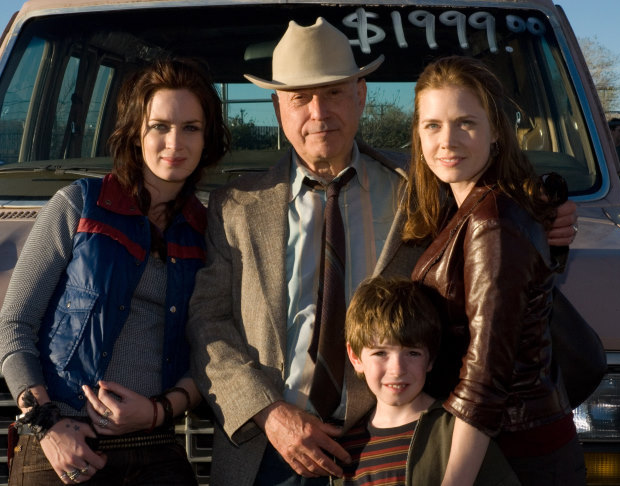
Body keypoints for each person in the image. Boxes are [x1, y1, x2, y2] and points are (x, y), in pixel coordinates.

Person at [187, 18, 578, 486]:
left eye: (333, 92)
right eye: (299, 98)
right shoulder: (235, 207)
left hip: (394, 449)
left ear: (361, 95)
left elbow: (490, 257)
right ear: (277, 108)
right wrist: (269, 414)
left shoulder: (425, 189)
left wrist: (545, 227)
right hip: (271, 454)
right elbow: (208, 323)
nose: (319, 112)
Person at [0, 57, 229, 485]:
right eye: (160, 126)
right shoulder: (78, 206)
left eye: (191, 127)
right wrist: (47, 426)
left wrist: (159, 411)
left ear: (207, 138)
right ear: (137, 134)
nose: (175, 142)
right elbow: (12, 325)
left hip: (154, 447)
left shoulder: (208, 233)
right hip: (63, 442)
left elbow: (210, 356)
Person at [405, 56, 586, 485]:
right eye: (432, 125)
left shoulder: (492, 222)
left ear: (496, 133)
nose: (446, 141)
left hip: (513, 455)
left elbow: (485, 377)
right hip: (508, 442)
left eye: (465, 122)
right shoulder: (468, 206)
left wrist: (454, 481)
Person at [338, 276, 519, 486]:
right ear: (355, 357)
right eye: (380, 353)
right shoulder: (345, 448)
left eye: (412, 353)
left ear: (431, 358)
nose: (397, 369)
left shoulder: (459, 431)